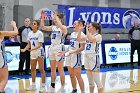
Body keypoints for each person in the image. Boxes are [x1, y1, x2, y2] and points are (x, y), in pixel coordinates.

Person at [40, 11, 67, 90]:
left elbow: (60, 26)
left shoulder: (64, 28)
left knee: (60, 69)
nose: (54, 20)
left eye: (56, 19)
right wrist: (42, 17)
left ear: (60, 20)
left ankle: (62, 87)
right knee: (52, 69)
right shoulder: (53, 27)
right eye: (54, 19)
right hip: (52, 47)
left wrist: (56, 17)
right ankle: (52, 85)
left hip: (59, 48)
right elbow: (42, 27)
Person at [58, 20, 86, 93]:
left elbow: (82, 48)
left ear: (80, 25)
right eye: (73, 23)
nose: (73, 25)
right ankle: (74, 89)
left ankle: (83, 91)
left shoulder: (82, 35)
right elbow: (70, 46)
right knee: (71, 75)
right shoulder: (73, 34)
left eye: (75, 24)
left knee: (78, 76)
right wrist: (64, 52)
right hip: (70, 55)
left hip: (76, 56)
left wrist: (73, 52)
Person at [20, 20, 46, 92]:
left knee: (41, 69)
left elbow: (39, 44)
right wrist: (24, 49)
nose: (33, 25)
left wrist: (32, 49)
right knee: (33, 69)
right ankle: (33, 85)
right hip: (32, 52)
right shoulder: (30, 33)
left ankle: (43, 86)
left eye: (34, 24)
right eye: (32, 24)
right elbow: (29, 44)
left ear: (37, 25)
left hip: (39, 51)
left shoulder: (40, 33)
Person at [83, 22, 103, 93]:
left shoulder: (98, 36)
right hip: (87, 57)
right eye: (88, 27)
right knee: (90, 81)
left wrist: (86, 30)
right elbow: (79, 38)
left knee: (97, 80)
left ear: (94, 28)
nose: (88, 28)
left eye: (89, 26)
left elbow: (91, 39)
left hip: (94, 58)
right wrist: (80, 30)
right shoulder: (88, 35)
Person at [0, 21, 18, 93]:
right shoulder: (1, 33)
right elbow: (16, 32)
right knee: (4, 80)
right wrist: (14, 25)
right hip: (0, 57)